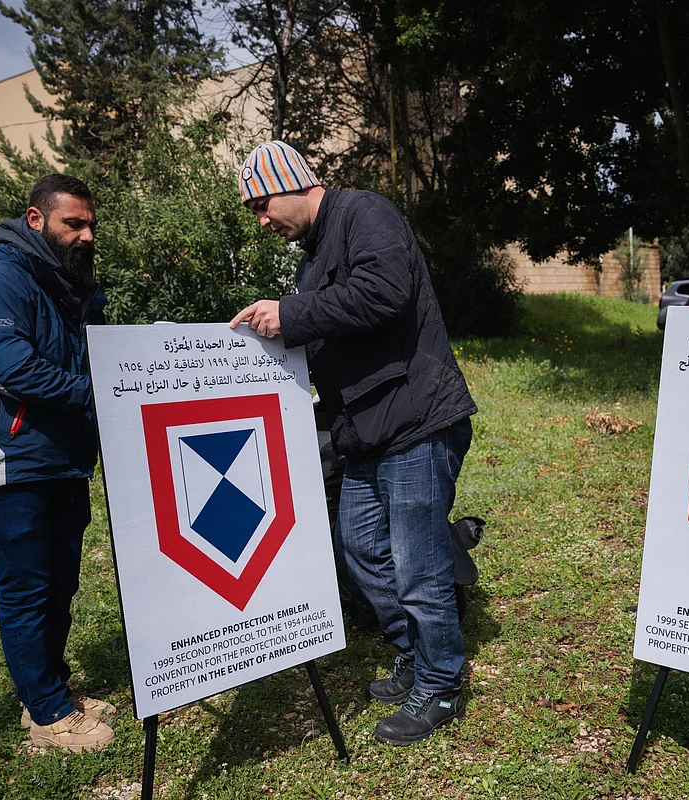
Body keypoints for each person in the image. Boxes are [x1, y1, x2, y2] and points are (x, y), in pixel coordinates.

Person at [230, 141, 477, 745]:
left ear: (292, 184)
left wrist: (290, 315)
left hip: (416, 423)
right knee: (361, 548)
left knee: (418, 566)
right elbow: (330, 331)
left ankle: (442, 685)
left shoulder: (366, 213)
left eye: (261, 205)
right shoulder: (311, 259)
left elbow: (385, 293)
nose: (261, 220)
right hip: (366, 434)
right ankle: (414, 655)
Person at [0, 174, 115, 752]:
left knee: (60, 584)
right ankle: (46, 715)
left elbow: (97, 358)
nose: (87, 235)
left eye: (91, 225)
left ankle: (50, 690)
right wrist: (104, 395)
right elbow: (14, 371)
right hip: (3, 468)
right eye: (74, 223)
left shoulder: (70, 286)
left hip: (60, 462)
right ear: (36, 220)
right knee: (28, 589)